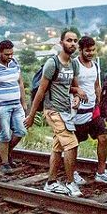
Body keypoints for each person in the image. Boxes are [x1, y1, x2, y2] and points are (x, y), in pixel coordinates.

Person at [24, 29, 86, 197]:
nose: (72, 43)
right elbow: (41, 91)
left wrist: (77, 96)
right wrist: (31, 115)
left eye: (75, 41)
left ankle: (51, 182)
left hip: (66, 110)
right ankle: (70, 182)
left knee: (58, 148)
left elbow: (74, 87)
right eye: (69, 40)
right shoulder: (52, 64)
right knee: (72, 144)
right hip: (52, 110)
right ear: (61, 43)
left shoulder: (73, 64)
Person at [73, 36, 107, 185]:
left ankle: (101, 172)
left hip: (93, 110)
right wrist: (77, 92)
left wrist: (99, 102)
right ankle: (72, 171)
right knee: (74, 142)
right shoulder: (74, 65)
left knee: (103, 137)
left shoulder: (95, 65)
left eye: (93, 50)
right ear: (80, 50)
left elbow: (97, 85)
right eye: (87, 50)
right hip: (77, 111)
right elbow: (67, 86)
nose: (90, 53)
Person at [0, 40, 27, 174]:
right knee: (5, 134)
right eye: (7, 54)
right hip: (1, 106)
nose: (10, 56)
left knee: (21, 131)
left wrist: (23, 102)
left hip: (16, 104)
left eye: (12, 53)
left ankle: (6, 153)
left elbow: (20, 83)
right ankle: (5, 163)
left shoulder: (14, 62)